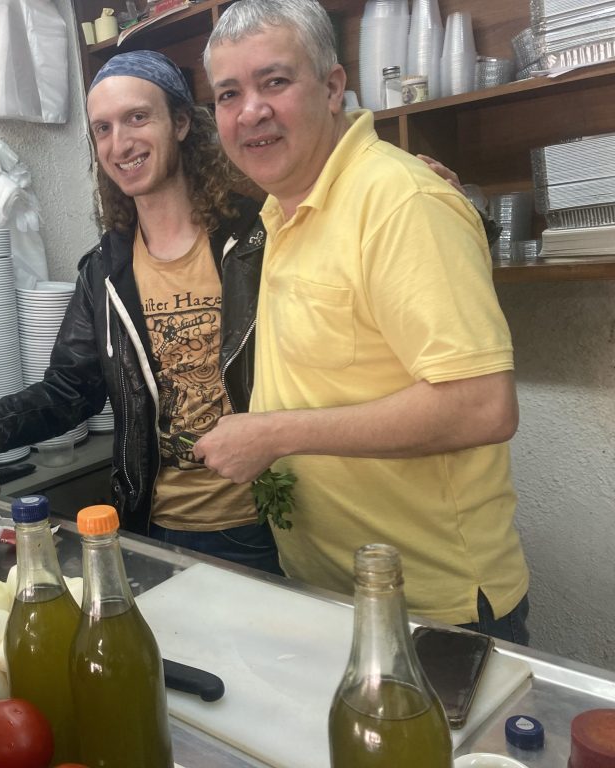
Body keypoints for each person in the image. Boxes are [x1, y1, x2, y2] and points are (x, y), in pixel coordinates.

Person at [195, 0, 530, 642]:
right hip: (332, 589)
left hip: (431, 608)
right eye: (229, 93)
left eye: (275, 81)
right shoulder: (280, 212)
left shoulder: (401, 202)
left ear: (332, 88)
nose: (251, 111)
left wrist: (272, 434)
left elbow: (482, 406)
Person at [0, 51, 284, 574]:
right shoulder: (106, 270)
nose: (120, 143)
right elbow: (71, 389)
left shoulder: (261, 236)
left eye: (137, 118)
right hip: (158, 528)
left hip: (272, 523)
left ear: (182, 122)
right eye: (102, 129)